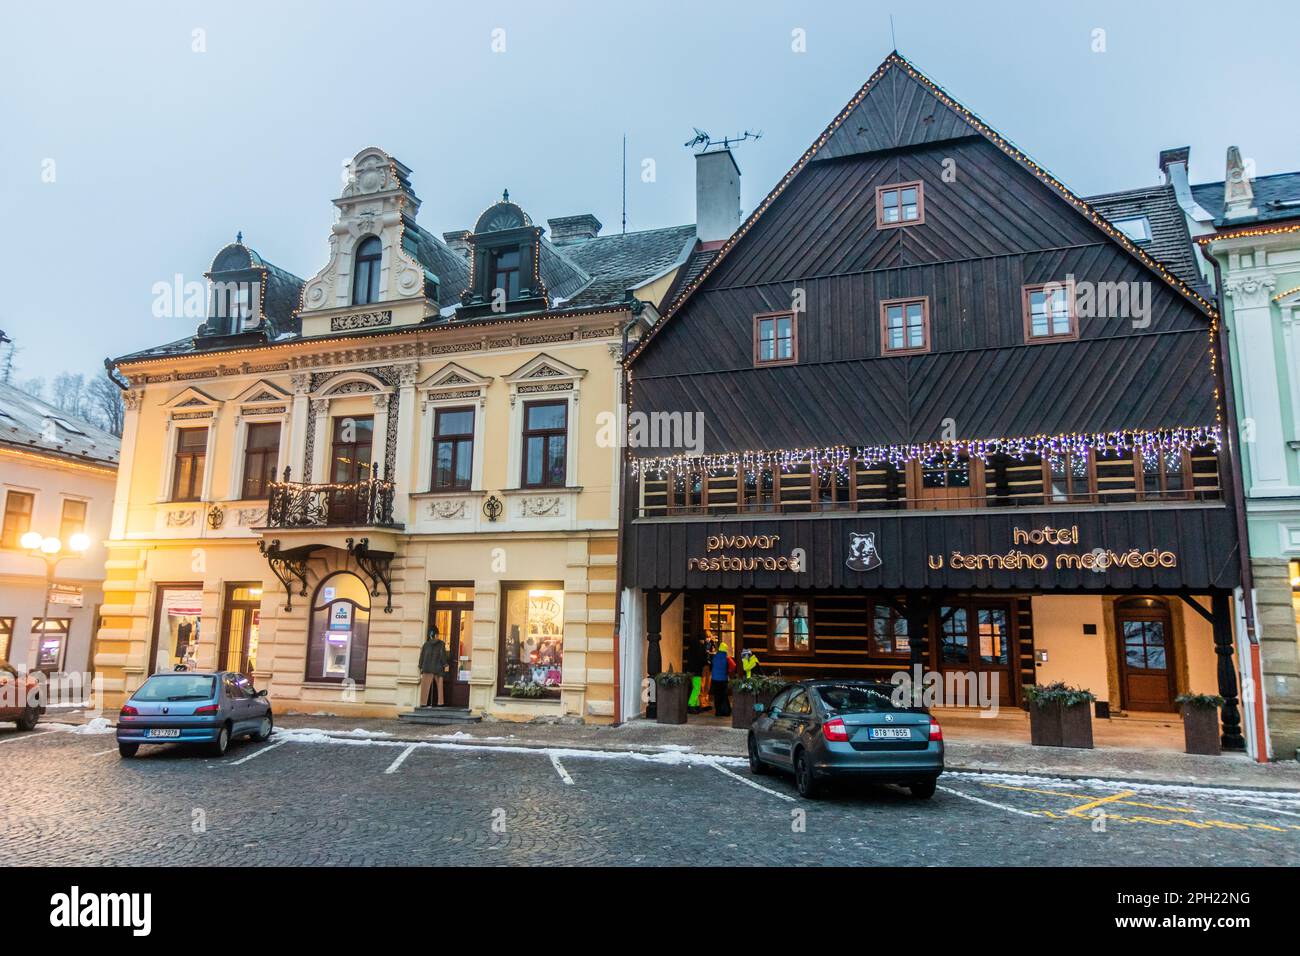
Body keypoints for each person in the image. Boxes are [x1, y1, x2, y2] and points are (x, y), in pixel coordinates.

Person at [418, 626, 449, 707]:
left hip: (427, 668)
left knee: (425, 686)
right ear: (436, 635)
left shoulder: (426, 644)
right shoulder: (441, 644)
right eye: (437, 634)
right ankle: (440, 703)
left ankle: (423, 703)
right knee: (440, 687)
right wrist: (445, 664)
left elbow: (422, 656)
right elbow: (443, 655)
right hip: (438, 669)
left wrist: (420, 665)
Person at [711, 642, 732, 717]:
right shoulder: (727, 658)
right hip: (723, 679)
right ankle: (725, 711)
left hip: (715, 679)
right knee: (723, 695)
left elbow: (712, 665)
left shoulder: (715, 657)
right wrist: (728, 672)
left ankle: (718, 712)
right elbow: (733, 666)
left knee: (717, 696)